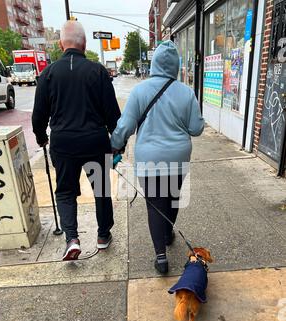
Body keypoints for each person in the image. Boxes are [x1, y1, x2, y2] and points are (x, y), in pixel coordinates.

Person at [111, 41, 204, 274]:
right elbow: (196, 128)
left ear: (153, 64)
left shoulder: (140, 91)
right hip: (178, 157)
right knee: (172, 199)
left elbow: (126, 126)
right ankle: (168, 231)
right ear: (176, 66)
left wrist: (115, 145)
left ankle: (161, 257)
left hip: (149, 158)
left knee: (154, 205)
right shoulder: (186, 92)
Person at [32, 21, 121, 261]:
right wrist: (117, 144)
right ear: (84, 44)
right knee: (101, 189)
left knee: (65, 192)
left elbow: (39, 115)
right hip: (94, 140)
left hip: (63, 143)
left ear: (61, 44)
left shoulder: (48, 74)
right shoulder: (98, 72)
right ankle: (103, 235)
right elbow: (113, 115)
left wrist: (42, 138)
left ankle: (72, 238)